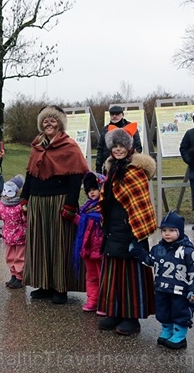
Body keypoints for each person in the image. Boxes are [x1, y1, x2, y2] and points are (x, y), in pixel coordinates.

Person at [20, 106, 89, 304]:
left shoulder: (70, 147)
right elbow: (30, 174)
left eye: (53, 120)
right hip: (38, 202)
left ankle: (60, 287)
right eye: (45, 120)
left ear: (60, 124)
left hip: (59, 201)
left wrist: (71, 205)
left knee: (60, 244)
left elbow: (76, 177)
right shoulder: (37, 146)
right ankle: (44, 284)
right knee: (40, 243)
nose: (49, 124)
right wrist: (25, 198)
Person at [96, 124, 157, 335]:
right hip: (114, 227)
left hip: (131, 228)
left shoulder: (136, 171)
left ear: (129, 147)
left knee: (132, 274)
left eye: (122, 145)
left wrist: (134, 232)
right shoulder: (111, 169)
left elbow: (140, 203)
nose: (118, 150)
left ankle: (131, 317)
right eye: (115, 146)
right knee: (114, 273)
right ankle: (113, 311)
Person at [129, 212, 194, 350]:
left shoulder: (187, 251)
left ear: (180, 231)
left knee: (180, 312)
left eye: (172, 230)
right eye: (164, 231)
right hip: (162, 288)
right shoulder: (158, 249)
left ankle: (180, 336)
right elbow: (149, 260)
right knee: (163, 311)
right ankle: (167, 330)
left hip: (181, 291)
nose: (167, 234)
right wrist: (137, 251)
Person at [71, 172, 105, 312]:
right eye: (89, 190)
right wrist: (74, 218)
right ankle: (92, 299)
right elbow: (83, 224)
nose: (92, 193)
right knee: (90, 276)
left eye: (95, 189)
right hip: (88, 247)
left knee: (102, 276)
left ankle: (104, 303)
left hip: (100, 248)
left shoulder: (104, 208)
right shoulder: (86, 207)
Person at [0, 175, 26, 290]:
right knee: (9, 256)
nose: (6, 194)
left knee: (19, 257)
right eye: (5, 190)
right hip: (8, 236)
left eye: (10, 191)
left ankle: (20, 277)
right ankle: (13, 274)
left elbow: (25, 219)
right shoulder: (3, 204)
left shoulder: (20, 206)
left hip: (20, 236)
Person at [95, 105, 143, 174]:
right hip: (109, 166)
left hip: (127, 166)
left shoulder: (130, 128)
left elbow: (138, 148)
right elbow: (100, 150)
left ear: (122, 115)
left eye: (117, 114)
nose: (114, 116)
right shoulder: (105, 130)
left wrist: (131, 162)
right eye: (112, 114)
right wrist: (98, 169)